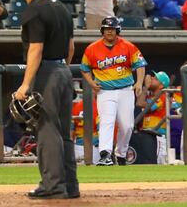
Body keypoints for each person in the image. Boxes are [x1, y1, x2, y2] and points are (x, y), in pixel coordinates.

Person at [12, 0, 79, 199]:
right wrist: (63, 68)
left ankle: (52, 186)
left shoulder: (35, 9)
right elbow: (71, 47)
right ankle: (70, 186)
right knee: (64, 132)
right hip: (64, 71)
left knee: (47, 130)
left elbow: (36, 49)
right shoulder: (62, 8)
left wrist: (25, 84)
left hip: (47, 73)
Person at [80, 17, 147, 165]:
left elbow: (140, 64)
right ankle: (105, 155)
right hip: (105, 91)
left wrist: (139, 82)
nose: (109, 31)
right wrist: (91, 82)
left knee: (127, 125)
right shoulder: (92, 48)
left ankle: (121, 153)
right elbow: (84, 68)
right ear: (102, 30)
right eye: (106, 28)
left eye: (112, 29)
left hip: (126, 90)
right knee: (106, 121)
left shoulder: (128, 46)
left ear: (117, 30)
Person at [136, 71, 172, 164]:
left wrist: (146, 87)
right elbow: (138, 102)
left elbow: (141, 104)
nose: (151, 79)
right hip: (148, 136)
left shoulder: (163, 97)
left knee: (158, 164)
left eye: (155, 79)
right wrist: (144, 87)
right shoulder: (150, 96)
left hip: (158, 137)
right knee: (148, 164)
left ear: (161, 85)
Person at [72, 95, 99, 165]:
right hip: (94, 147)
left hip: (77, 146)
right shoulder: (98, 106)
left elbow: (71, 130)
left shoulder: (76, 106)